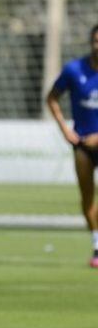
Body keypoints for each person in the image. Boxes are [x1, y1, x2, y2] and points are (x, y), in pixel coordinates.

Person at [46, 23, 98, 268]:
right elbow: (52, 98)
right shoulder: (73, 70)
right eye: (96, 40)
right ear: (91, 42)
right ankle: (97, 245)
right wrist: (65, 129)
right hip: (82, 146)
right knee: (87, 197)